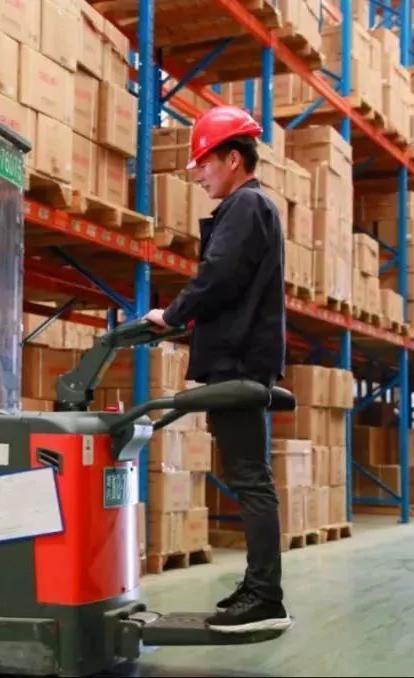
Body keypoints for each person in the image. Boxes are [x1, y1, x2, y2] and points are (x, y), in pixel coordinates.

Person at [144, 105, 290, 635]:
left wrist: (171, 315)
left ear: (232, 159)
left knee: (250, 479)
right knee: (248, 476)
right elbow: (229, 282)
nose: (199, 174)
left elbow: (219, 276)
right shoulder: (253, 207)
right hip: (238, 356)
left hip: (237, 360)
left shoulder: (246, 205)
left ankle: (265, 595)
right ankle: (259, 587)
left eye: (204, 163)